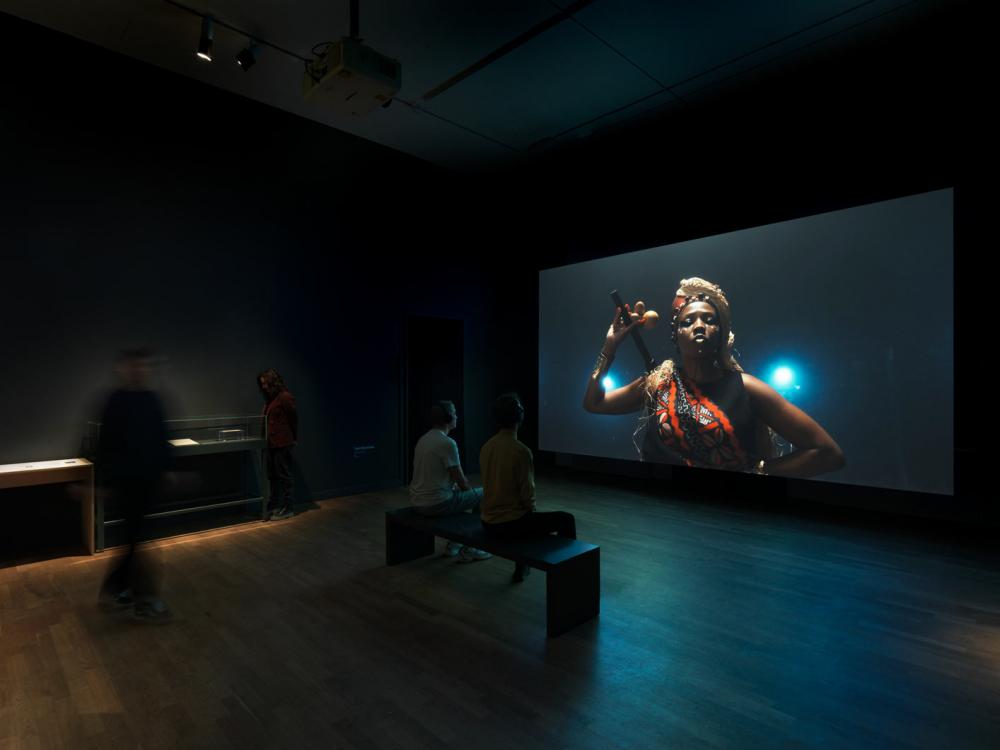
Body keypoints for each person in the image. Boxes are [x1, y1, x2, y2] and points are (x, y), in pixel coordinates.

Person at [583, 277, 845, 477]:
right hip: (658, 515)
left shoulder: (747, 389)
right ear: (676, 335)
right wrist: (610, 346)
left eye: (709, 320)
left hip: (726, 521)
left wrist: (758, 472)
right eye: (688, 322)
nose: (699, 325)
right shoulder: (658, 383)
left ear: (721, 332)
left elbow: (828, 453)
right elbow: (594, 403)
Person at [96, 348, 172, 622]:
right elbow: (105, 445)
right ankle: (142, 597)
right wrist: (105, 482)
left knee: (133, 541)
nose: (139, 371)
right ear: (123, 369)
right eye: (134, 366)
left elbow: (161, 436)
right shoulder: (115, 401)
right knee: (135, 541)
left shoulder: (151, 399)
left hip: (146, 482)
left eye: (143, 366)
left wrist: (169, 470)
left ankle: (121, 589)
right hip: (126, 483)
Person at [480, 393, 576, 583]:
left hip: (487, 522)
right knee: (566, 520)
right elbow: (527, 496)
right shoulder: (521, 451)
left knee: (529, 521)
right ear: (520, 417)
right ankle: (570, 576)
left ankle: (521, 566)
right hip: (509, 526)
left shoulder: (486, 447)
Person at [409, 400, 491, 562]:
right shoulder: (447, 443)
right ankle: (472, 547)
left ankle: (455, 543)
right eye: (454, 413)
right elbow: (462, 481)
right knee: (484, 494)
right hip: (436, 503)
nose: (457, 416)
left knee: (462, 497)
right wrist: (469, 492)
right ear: (448, 417)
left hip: (417, 501)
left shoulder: (423, 439)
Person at [258, 368, 298, 520]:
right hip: (270, 443)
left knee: (284, 475)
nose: (263, 387)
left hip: (282, 443)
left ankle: (289, 507)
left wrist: (294, 438)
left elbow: (293, 419)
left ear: (273, 382)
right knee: (272, 475)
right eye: (261, 384)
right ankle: (274, 504)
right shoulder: (270, 400)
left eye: (266, 383)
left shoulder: (285, 397)